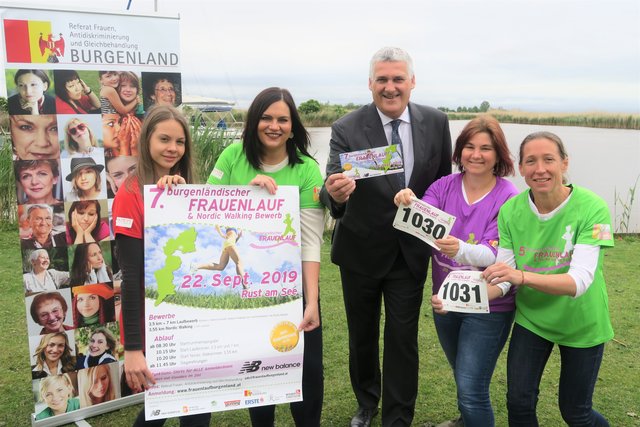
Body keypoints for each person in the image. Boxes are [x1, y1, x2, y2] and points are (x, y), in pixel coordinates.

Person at [319, 47, 452, 427]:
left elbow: (441, 183)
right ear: (370, 83)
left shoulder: (436, 121)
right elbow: (331, 187)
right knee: (361, 336)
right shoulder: (347, 127)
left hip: (409, 250)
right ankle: (366, 402)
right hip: (360, 250)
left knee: (402, 338)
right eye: (382, 79)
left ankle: (398, 416)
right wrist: (336, 193)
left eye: (397, 79)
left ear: (412, 82)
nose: (390, 87)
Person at [207, 87, 324, 426]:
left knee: (308, 371)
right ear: (254, 120)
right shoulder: (232, 157)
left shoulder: (306, 169)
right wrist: (247, 196)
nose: (274, 126)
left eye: (283, 119)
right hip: (244, 285)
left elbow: (311, 241)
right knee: (259, 367)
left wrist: (311, 301)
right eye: (267, 118)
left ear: (293, 125)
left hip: (292, 286)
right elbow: (202, 216)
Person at [482, 131, 614, 426]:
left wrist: (521, 277)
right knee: (518, 402)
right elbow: (504, 279)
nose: (539, 169)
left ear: (564, 163)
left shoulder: (594, 208)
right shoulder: (510, 211)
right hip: (533, 320)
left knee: (576, 413)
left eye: (548, 160)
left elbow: (578, 282)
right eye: (531, 161)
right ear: (520, 168)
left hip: (582, 323)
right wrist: (458, 297)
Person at [394, 116, 518, 427]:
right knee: (464, 376)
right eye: (469, 147)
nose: (476, 154)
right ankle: (466, 420)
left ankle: (470, 416)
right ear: (459, 151)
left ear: (498, 154)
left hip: (490, 306)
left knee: (472, 388)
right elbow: (423, 218)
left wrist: (458, 248)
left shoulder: (508, 197)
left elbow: (493, 256)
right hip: (446, 302)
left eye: (486, 148)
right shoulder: (443, 186)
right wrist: (407, 200)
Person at [112, 105, 211, 426]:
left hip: (188, 316)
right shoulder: (130, 192)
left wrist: (258, 190)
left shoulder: (187, 189)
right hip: (153, 321)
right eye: (164, 139)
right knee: (163, 403)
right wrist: (133, 349)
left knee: (195, 402)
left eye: (180, 142)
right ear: (146, 140)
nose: (172, 148)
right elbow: (130, 277)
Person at [191, 225, 248, 289]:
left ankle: (196, 266)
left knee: (220, 266)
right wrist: (222, 235)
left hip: (228, 244)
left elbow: (233, 241)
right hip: (230, 243)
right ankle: (246, 288)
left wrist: (238, 237)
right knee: (239, 263)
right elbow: (217, 226)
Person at [116, 71, 143, 157]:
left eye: (132, 86)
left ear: (137, 90)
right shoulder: (111, 112)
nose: (128, 90)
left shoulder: (142, 111)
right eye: (123, 86)